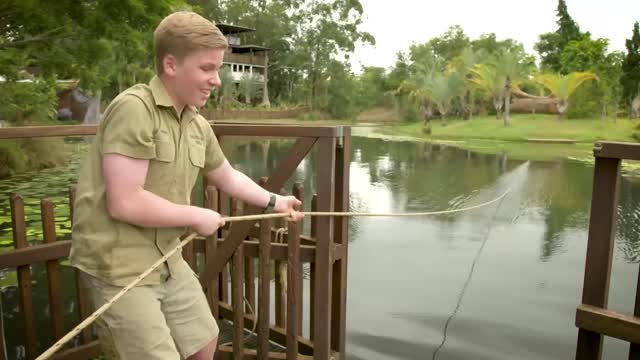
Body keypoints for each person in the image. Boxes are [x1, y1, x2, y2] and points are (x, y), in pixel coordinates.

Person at [69, 11, 303, 360]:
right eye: (207, 68)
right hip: (118, 263)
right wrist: (195, 215)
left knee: (204, 342)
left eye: (218, 68)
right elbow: (125, 202)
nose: (217, 80)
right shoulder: (134, 110)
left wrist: (275, 201)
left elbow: (227, 176)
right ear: (170, 65)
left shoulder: (195, 123)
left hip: (166, 256)